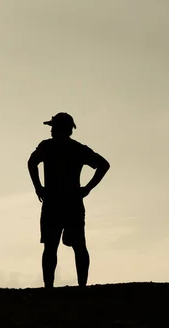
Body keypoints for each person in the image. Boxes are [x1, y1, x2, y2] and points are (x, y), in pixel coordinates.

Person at [27, 112, 110, 288]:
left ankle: (50, 287)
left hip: (54, 202)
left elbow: (31, 162)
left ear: (59, 129)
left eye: (53, 127)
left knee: (53, 247)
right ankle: (80, 287)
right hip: (71, 203)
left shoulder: (48, 147)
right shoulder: (77, 149)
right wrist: (87, 189)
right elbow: (103, 165)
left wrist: (38, 187)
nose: (51, 131)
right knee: (76, 246)